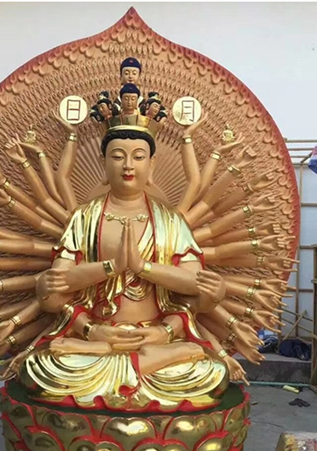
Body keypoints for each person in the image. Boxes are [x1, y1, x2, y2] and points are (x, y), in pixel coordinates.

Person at [19, 113, 233, 411]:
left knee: (212, 372)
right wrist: (107, 277)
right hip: (97, 333)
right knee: (39, 367)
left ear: (152, 165)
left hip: (155, 337)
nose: (128, 165)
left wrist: (144, 270)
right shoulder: (84, 218)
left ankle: (137, 363)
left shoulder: (171, 221)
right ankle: (134, 365)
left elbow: (195, 286)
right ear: (104, 164)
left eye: (138, 157)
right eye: (118, 156)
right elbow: (57, 288)